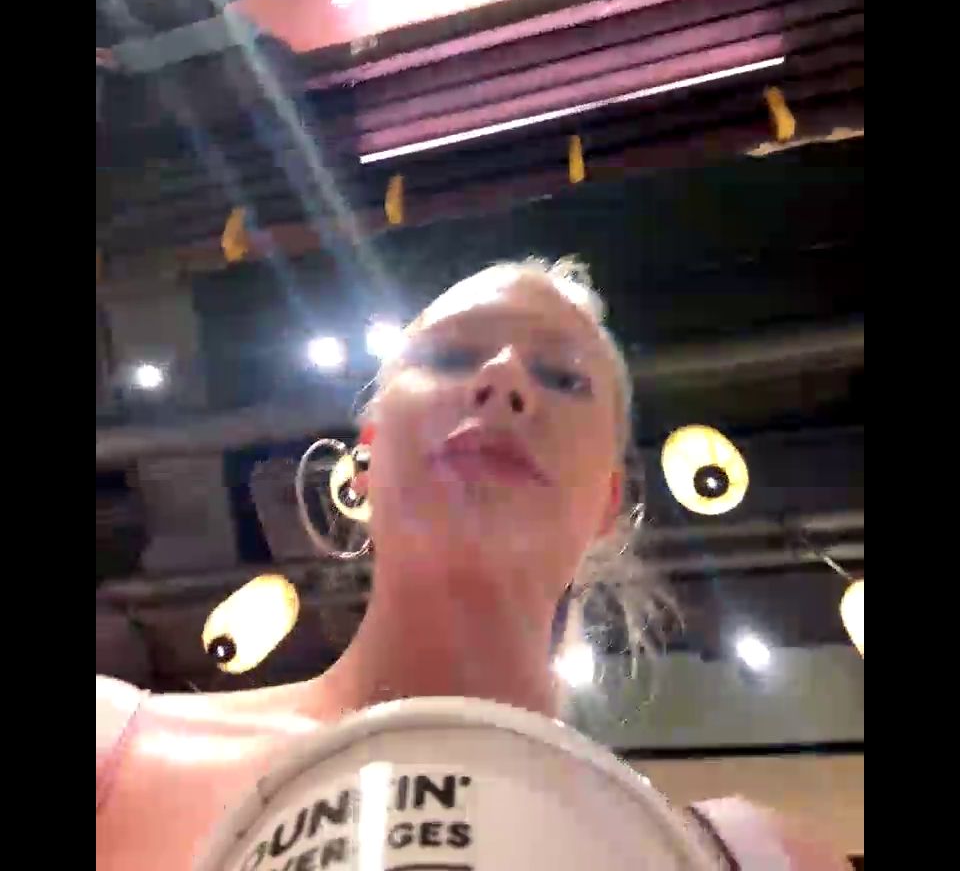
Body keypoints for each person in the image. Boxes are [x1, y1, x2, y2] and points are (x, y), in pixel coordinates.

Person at [97, 258, 850, 870]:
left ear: (607, 503)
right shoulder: (114, 747)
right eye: (452, 357)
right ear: (365, 461)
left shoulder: (759, 859)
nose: (505, 380)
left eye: (564, 378)